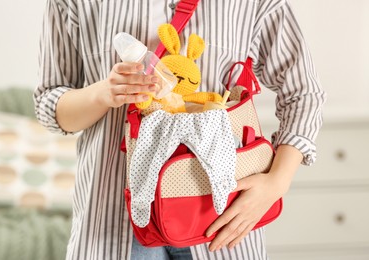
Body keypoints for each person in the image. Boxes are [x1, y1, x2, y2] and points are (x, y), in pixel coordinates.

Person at [34, 0, 326, 259]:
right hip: (113, 223)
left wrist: (276, 183)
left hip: (224, 222)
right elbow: (50, 106)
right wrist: (103, 94)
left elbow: (304, 93)